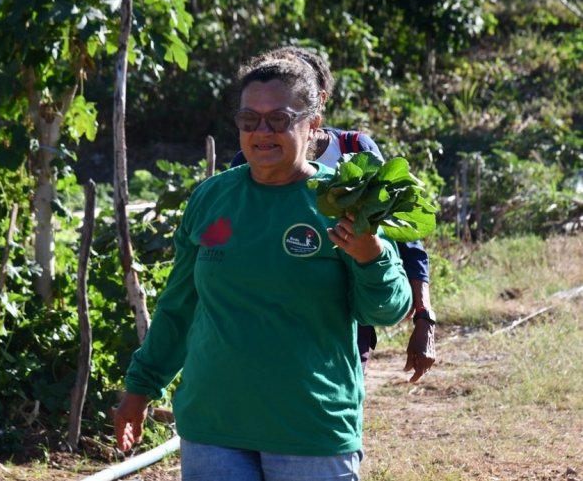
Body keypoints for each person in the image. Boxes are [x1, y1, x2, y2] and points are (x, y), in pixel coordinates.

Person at [115, 52, 412, 480]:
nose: (262, 132)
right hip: (213, 424)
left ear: (312, 123)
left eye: (279, 119)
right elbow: (179, 307)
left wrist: (372, 255)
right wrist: (140, 388)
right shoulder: (211, 199)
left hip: (310, 429)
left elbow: (385, 310)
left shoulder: (341, 203)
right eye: (249, 119)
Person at [230, 46, 436, 382]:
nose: (264, 128)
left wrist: (424, 316)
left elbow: (404, 234)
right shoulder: (248, 161)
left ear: (317, 103)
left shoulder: (354, 151)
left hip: (346, 316)